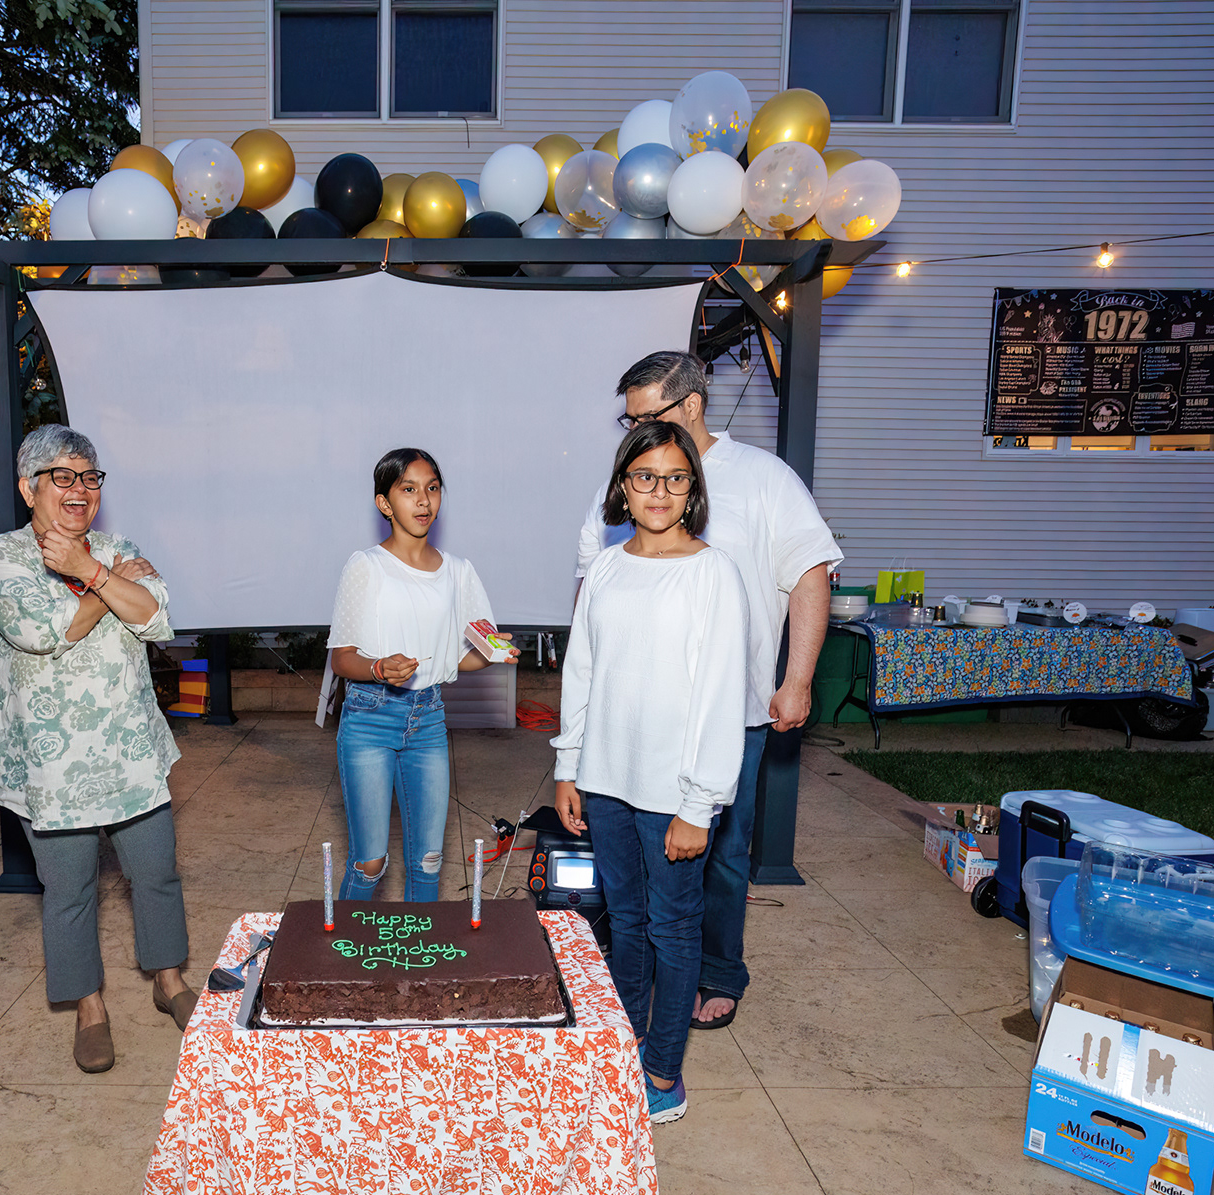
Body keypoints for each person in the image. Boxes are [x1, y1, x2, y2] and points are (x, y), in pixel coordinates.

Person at [575, 351, 841, 1033]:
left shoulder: (763, 478)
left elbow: (809, 574)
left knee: (720, 852)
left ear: (691, 405)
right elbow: (592, 596)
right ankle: (644, 987)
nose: (636, 430)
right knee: (634, 873)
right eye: (629, 421)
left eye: (647, 414)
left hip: (733, 712)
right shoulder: (624, 485)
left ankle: (715, 972)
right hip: (630, 730)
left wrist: (797, 679)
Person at [0, 426, 195, 1074]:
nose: (79, 489)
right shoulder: (3, 558)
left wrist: (91, 571)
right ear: (29, 488)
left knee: (156, 873)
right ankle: (89, 1008)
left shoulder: (116, 548)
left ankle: (169, 981)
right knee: (70, 890)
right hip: (53, 766)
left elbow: (155, 617)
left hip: (130, 750)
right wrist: (107, 586)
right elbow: (45, 631)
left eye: (90, 476)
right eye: (63, 476)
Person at [553, 420, 748, 1124]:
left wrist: (700, 804)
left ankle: (663, 1070)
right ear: (623, 487)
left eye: (674, 478)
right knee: (627, 923)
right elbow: (582, 673)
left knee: (673, 929)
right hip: (606, 783)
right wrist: (569, 766)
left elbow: (721, 696)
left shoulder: (712, 573)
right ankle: (626, 1043)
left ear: (692, 488)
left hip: (674, 794)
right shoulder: (606, 568)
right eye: (645, 477)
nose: (659, 491)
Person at [318, 448, 516, 901]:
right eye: (408, 489)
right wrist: (377, 669)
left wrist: (492, 653)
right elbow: (342, 659)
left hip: (428, 720)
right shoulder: (366, 566)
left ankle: (419, 949)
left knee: (429, 860)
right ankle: (345, 946)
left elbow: (455, 660)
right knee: (370, 863)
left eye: (432, 488)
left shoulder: (459, 572)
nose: (423, 500)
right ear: (384, 503)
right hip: (369, 718)